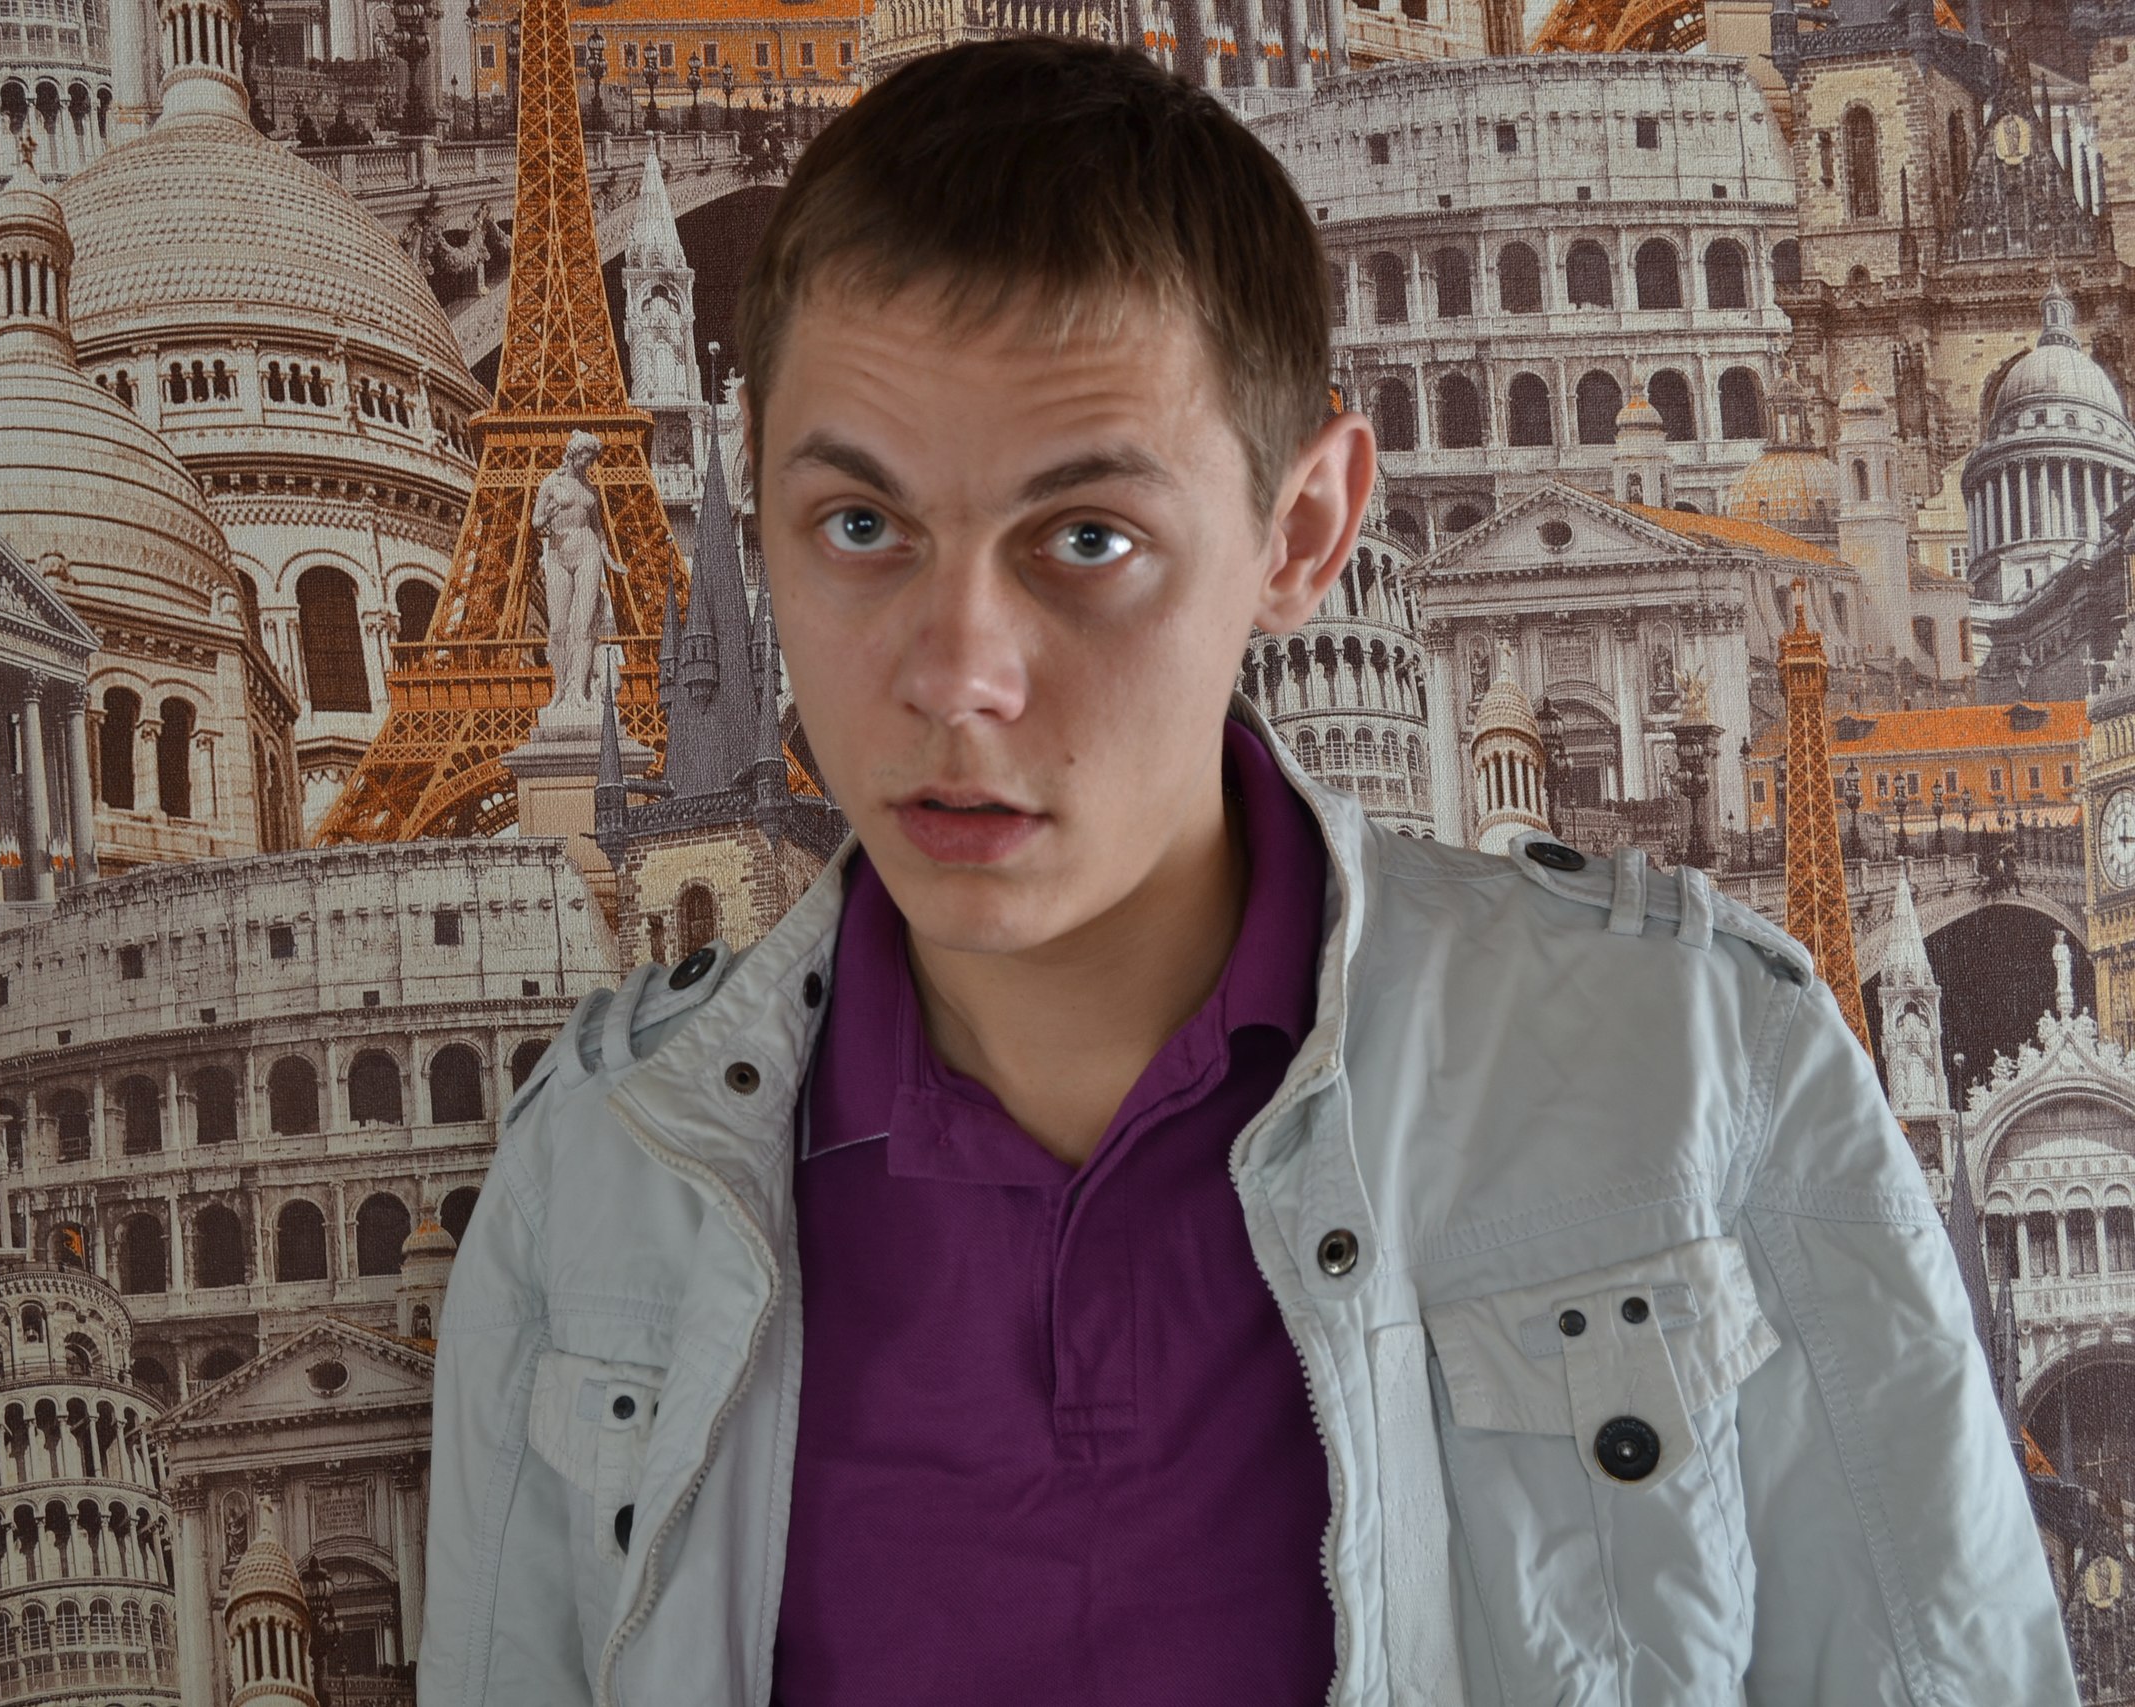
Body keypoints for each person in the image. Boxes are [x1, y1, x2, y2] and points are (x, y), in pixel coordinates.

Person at [419, 36, 2075, 1707]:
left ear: (1304, 533)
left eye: (1087, 540)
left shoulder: (1712, 1077)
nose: (958, 672)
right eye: (862, 527)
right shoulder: (602, 1180)